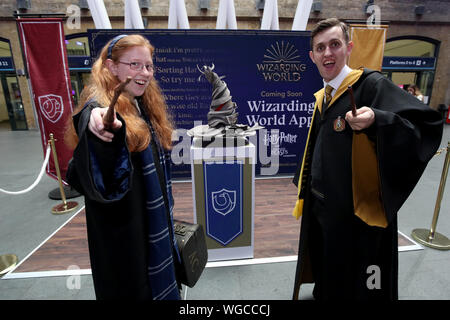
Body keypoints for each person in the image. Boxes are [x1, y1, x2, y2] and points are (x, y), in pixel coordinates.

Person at [291, 18, 443, 300]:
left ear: (348, 48)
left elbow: (426, 126)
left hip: (357, 215)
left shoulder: (371, 86)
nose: (328, 53)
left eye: (335, 45)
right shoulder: (323, 97)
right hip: (322, 207)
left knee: (362, 283)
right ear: (312, 57)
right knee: (329, 272)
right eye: (320, 48)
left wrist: (379, 119)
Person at [65, 34, 181, 300]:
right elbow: (94, 118)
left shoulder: (144, 104)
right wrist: (97, 121)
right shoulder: (99, 105)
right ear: (111, 66)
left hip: (149, 226)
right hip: (122, 237)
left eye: (148, 66)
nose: (144, 72)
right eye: (134, 64)